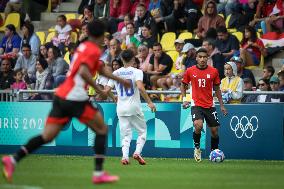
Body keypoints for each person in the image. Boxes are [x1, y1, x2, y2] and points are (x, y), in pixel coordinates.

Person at [2, 19, 131, 184]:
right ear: (101, 35)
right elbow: (84, 72)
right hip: (75, 97)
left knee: (47, 136)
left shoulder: (83, 47)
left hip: (62, 96)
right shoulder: (93, 49)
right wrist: (99, 91)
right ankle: (98, 174)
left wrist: (118, 80)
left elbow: (98, 68)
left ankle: (13, 160)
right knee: (102, 128)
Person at [104, 49, 156, 165]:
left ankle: (125, 157)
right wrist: (149, 102)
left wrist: (114, 98)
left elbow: (106, 90)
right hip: (134, 107)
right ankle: (137, 152)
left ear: (122, 60)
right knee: (142, 132)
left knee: (125, 135)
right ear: (133, 59)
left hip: (121, 108)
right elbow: (141, 88)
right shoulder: (137, 72)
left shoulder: (116, 73)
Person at [180, 48, 227, 162]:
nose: (202, 59)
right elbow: (183, 85)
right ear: (196, 58)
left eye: (204, 57)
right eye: (200, 57)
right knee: (198, 125)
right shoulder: (190, 71)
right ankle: (197, 148)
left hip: (210, 105)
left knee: (215, 131)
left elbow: (217, 89)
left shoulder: (214, 71)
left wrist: (221, 105)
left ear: (208, 58)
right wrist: (185, 99)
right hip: (196, 104)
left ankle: (214, 152)